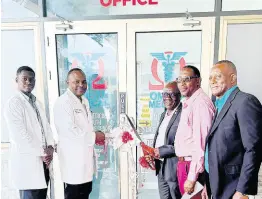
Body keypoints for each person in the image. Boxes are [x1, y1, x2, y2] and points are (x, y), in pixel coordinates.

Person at [202, 60, 262, 199]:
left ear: (232, 78)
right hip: (216, 182)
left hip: (233, 186)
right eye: (210, 77)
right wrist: (208, 183)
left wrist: (242, 191)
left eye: (218, 76)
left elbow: (253, 148)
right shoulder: (218, 105)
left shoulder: (245, 101)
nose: (212, 81)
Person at [53, 68, 105, 199]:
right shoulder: (63, 102)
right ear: (67, 82)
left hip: (85, 162)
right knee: (74, 194)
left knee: (85, 193)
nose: (81, 85)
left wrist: (96, 134)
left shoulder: (84, 101)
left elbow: (86, 128)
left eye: (84, 82)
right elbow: (70, 131)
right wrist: (94, 136)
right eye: (76, 82)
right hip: (73, 163)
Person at [4, 66, 54, 199]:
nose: (28, 82)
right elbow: (20, 136)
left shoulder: (37, 102)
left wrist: (50, 147)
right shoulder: (14, 103)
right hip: (28, 164)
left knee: (41, 196)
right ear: (16, 80)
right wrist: (43, 153)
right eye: (24, 79)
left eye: (31, 79)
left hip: (43, 163)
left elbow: (46, 128)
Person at [174, 65, 215, 195]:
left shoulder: (200, 103)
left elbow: (201, 143)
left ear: (198, 81)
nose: (181, 84)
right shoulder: (190, 102)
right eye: (179, 80)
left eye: (186, 79)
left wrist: (192, 177)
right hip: (185, 165)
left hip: (192, 167)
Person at [150, 81, 182, 199]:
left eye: (172, 94)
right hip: (161, 166)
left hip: (174, 168)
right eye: (164, 94)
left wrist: (161, 151)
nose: (167, 97)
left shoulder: (183, 114)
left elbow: (183, 143)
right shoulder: (163, 114)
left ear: (179, 95)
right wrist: (152, 154)